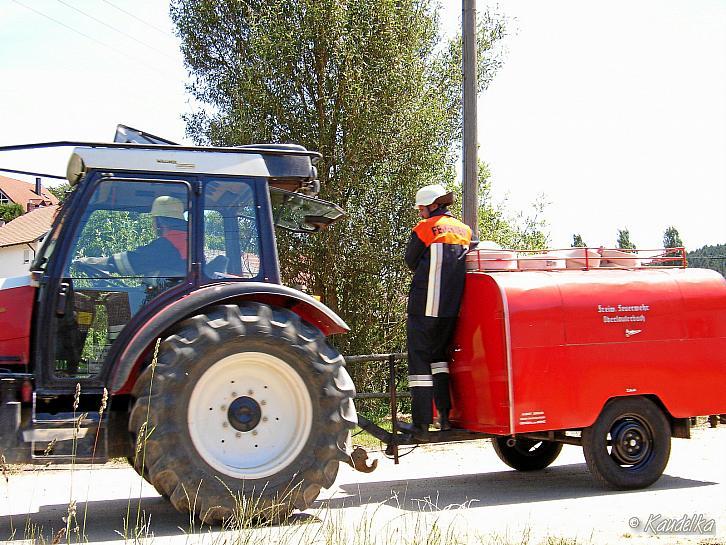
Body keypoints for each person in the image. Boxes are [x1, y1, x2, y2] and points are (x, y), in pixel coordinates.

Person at [399, 184, 472, 436]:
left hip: (424, 305)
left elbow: (410, 260)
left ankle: (420, 423)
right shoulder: (465, 231)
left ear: (431, 205)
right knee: (439, 359)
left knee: (419, 359)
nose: (419, 211)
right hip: (450, 309)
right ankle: (445, 416)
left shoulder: (425, 228)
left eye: (421, 207)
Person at [74, 195, 188, 280]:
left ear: (160, 221)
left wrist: (88, 262)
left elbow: (131, 261)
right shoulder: (186, 240)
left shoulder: (167, 246)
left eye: (154, 219)